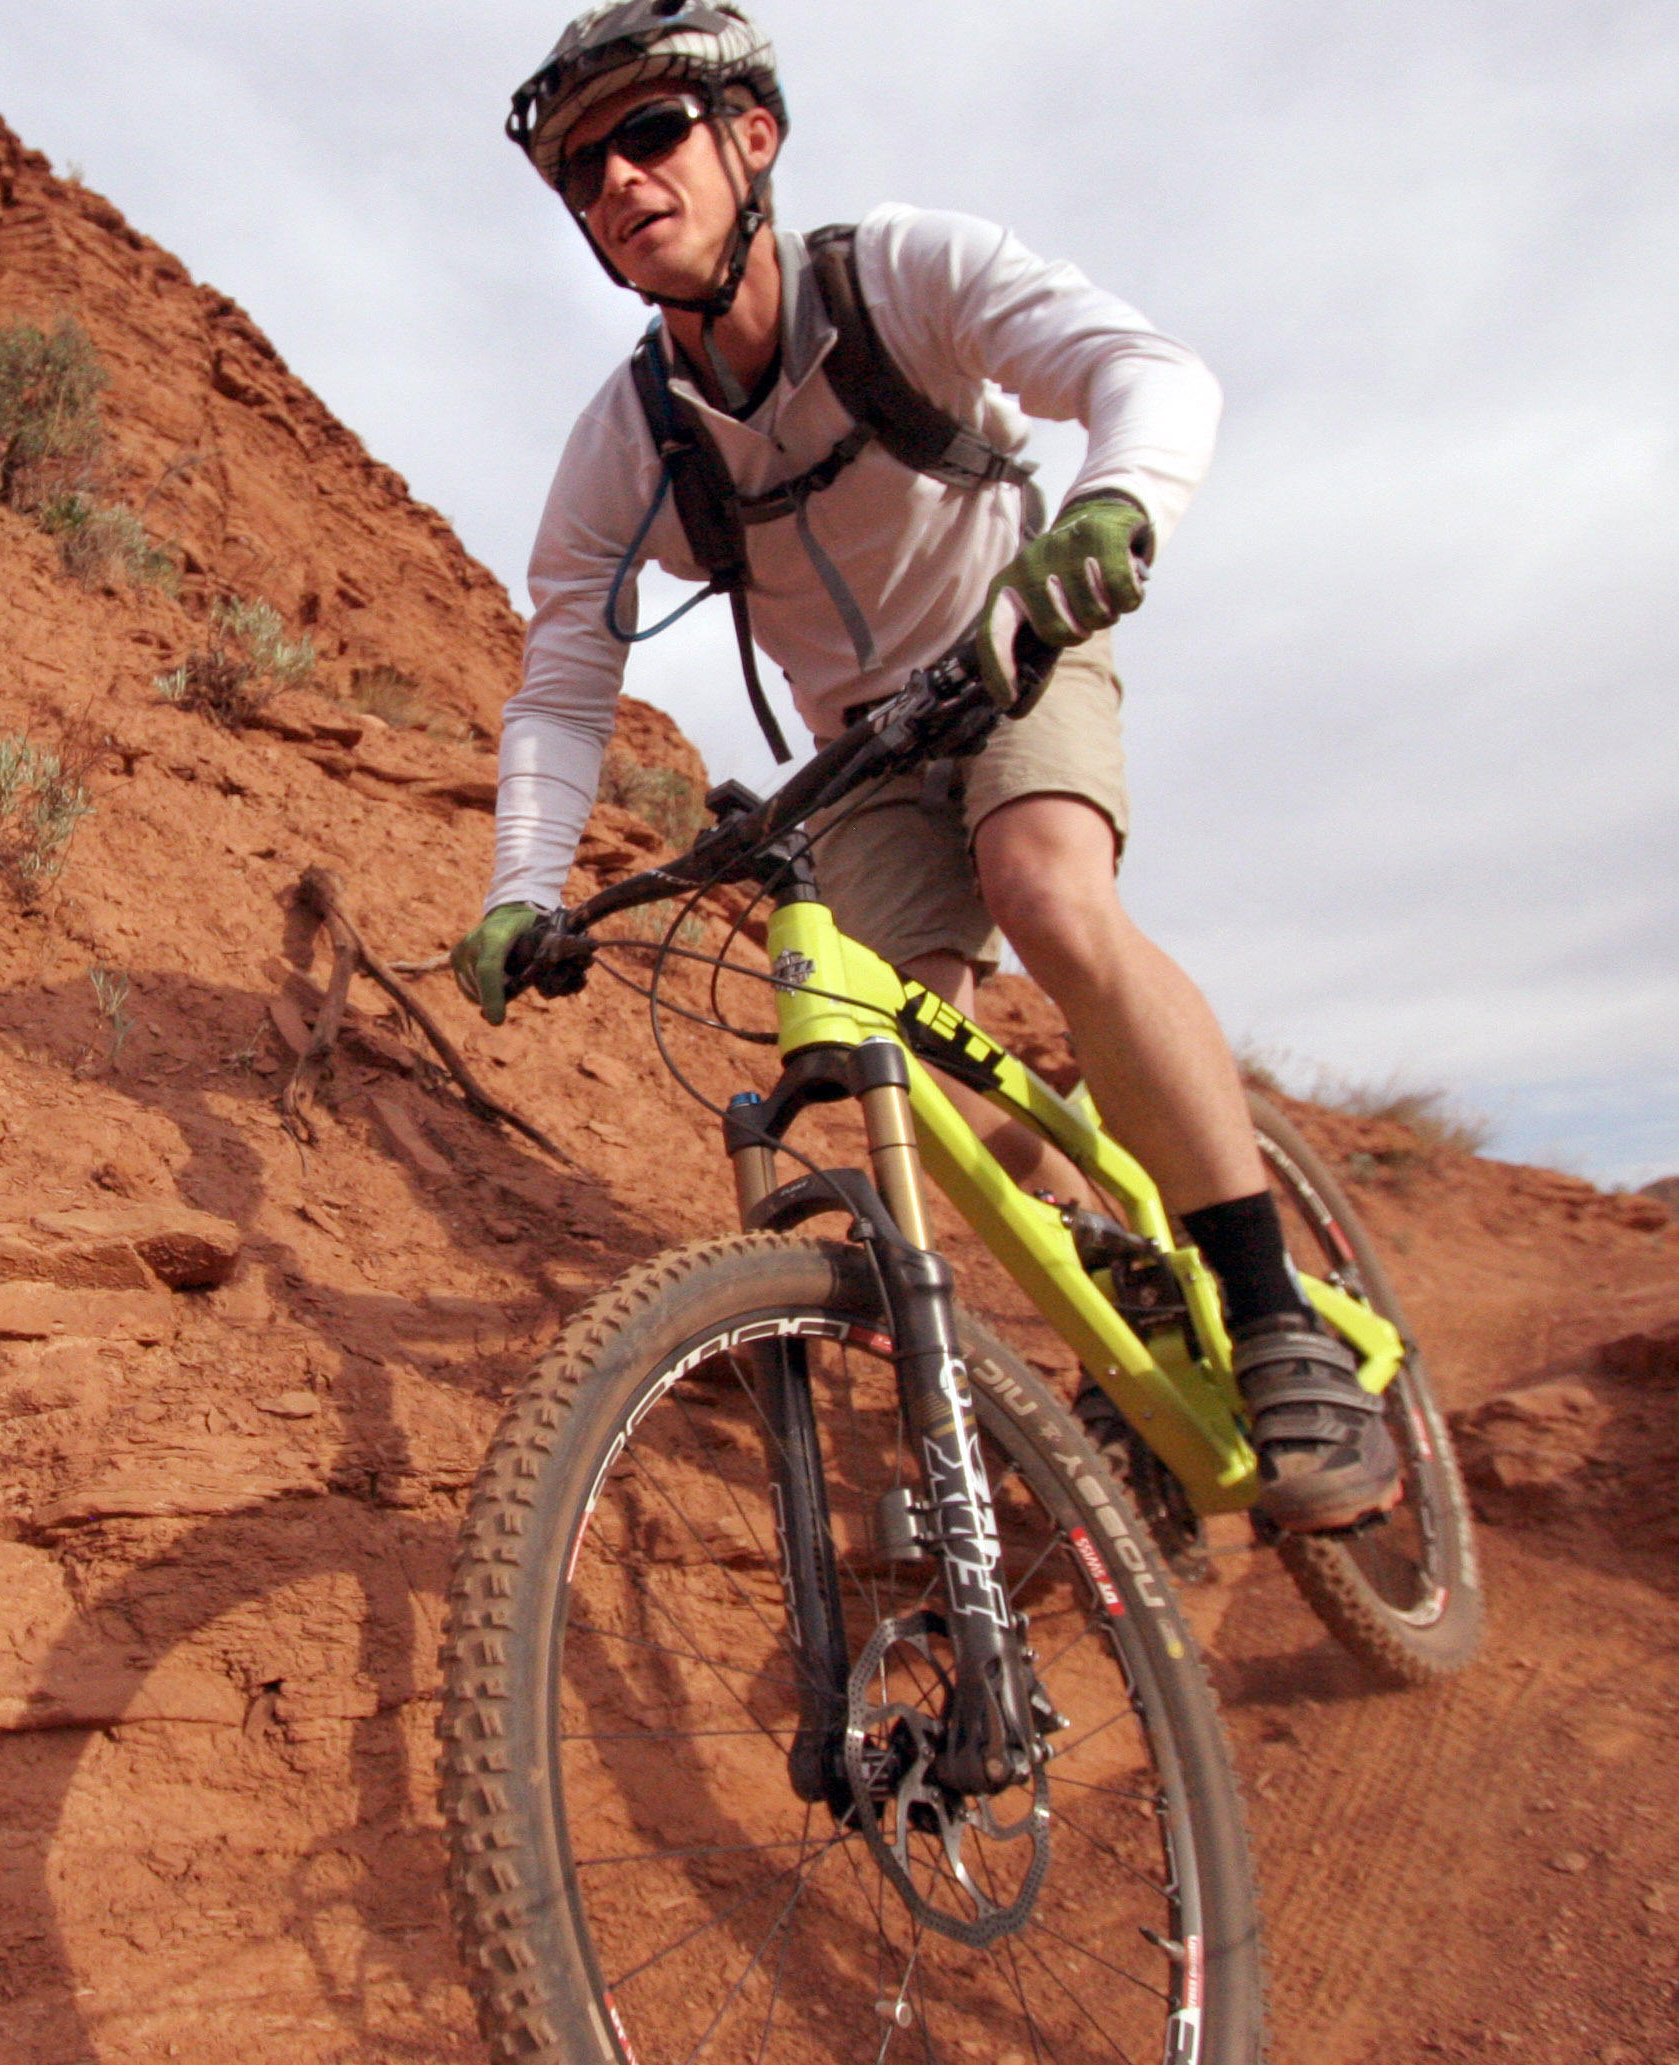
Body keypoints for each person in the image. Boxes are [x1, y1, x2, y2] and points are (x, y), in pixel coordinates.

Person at [450, 0, 1397, 1532]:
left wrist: (1116, 508)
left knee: (1047, 893)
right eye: (580, 170)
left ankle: (1271, 1306)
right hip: (864, 751)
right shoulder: (631, 438)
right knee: (918, 1079)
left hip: (1018, 637)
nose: (616, 180)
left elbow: (1147, 371)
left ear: (751, 137)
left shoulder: (900, 276)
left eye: (648, 132)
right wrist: (520, 889)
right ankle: (1124, 1299)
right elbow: (567, 670)